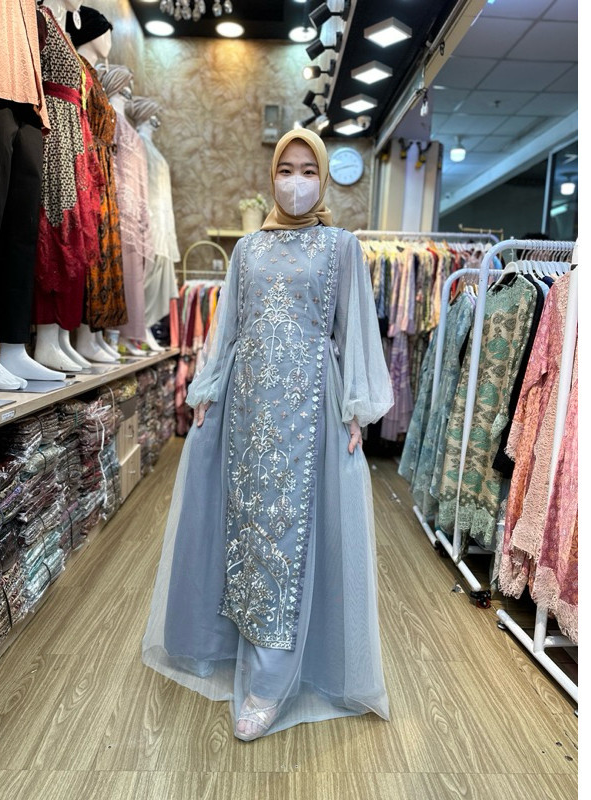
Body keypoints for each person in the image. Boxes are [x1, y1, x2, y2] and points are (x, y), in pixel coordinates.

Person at [141, 129, 394, 741]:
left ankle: (272, 679)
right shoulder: (249, 250)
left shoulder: (341, 248)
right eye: (286, 169)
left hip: (310, 406)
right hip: (246, 406)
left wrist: (356, 411)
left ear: (323, 178)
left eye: (308, 170)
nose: (296, 182)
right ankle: (232, 646)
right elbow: (227, 327)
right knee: (243, 523)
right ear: (272, 176)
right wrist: (206, 392)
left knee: (289, 530)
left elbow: (356, 330)